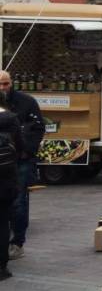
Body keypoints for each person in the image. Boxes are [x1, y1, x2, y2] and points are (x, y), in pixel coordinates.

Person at [0, 70, 43, 262]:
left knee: (18, 201)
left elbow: (38, 128)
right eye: (0, 84)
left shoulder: (26, 101)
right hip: (4, 160)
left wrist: (26, 151)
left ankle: (17, 242)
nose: (3, 87)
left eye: (6, 83)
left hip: (21, 160)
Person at [0, 90, 23, 280]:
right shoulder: (12, 120)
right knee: (3, 222)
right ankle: (1, 267)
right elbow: (21, 147)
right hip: (6, 179)